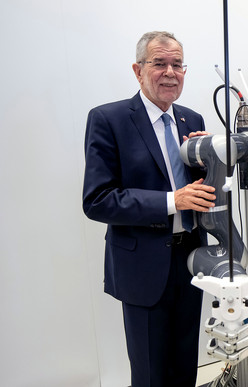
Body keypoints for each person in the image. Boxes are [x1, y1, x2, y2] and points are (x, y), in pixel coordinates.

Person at [82, 31, 216, 387]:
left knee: (186, 365)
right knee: (151, 373)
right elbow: (97, 200)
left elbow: (204, 189)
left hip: (191, 259)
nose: (170, 72)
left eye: (177, 64)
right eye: (159, 63)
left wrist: (212, 160)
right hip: (143, 267)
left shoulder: (192, 119)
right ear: (137, 70)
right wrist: (173, 202)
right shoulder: (109, 120)